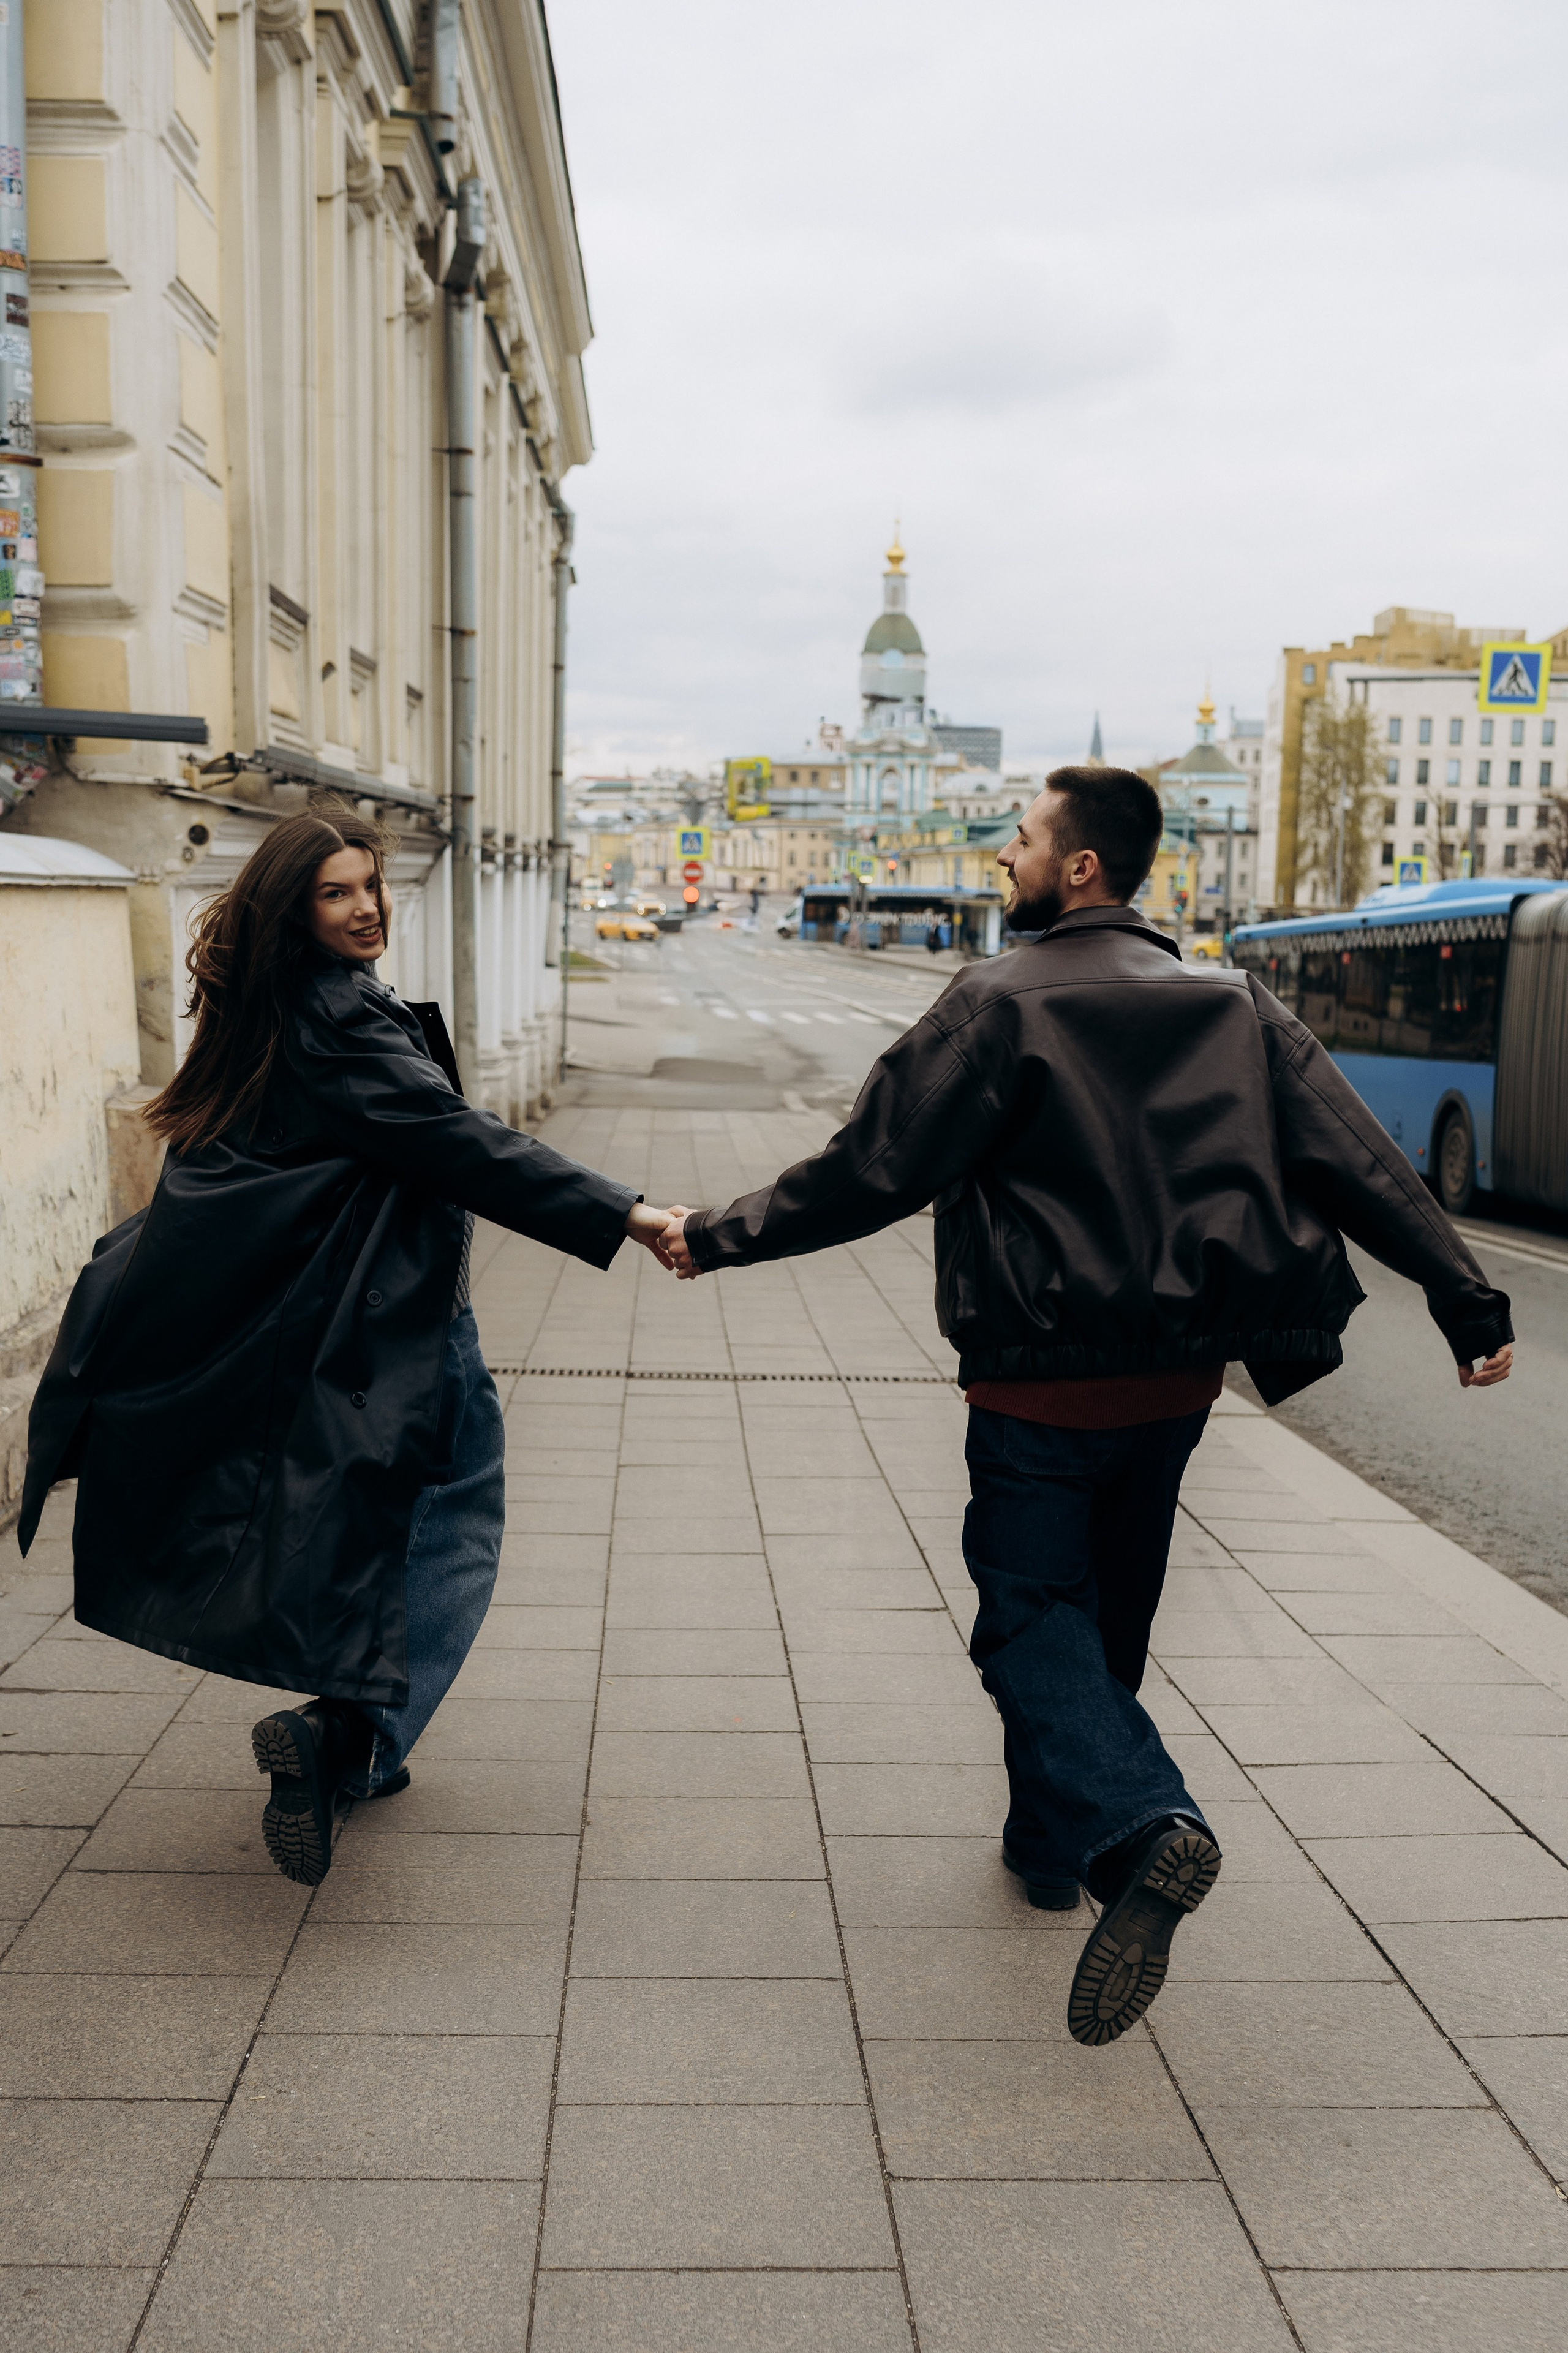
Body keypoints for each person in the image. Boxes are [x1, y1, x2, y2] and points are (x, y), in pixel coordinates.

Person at [659, 765, 1513, 2045]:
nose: (1002, 858)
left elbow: (868, 1169)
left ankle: (1139, 1826)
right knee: (1104, 1612)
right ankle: (1046, 1846)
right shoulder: (1235, 1001)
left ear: (1076, 868)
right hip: (1176, 1385)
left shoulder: (997, 999)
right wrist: (1466, 1300)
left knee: (1025, 1616)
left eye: (1018, 840)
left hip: (1036, 1381)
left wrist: (711, 1236)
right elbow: (1353, 1155)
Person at [19, 804, 677, 1886]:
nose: (366, 906)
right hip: (384, 1313)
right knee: (456, 1512)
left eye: (372, 884)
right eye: (337, 891)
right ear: (295, 906)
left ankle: (359, 1726)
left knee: (388, 1504)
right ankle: (347, 1732)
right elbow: (467, 1145)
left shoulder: (266, 1004)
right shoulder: (341, 1023)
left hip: (326, 1306)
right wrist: (627, 1213)